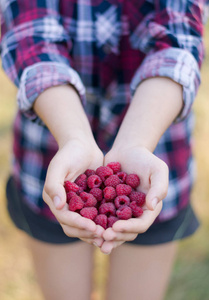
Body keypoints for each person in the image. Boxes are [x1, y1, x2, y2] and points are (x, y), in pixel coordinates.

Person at [0, 1, 208, 299]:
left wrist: (136, 143)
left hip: (156, 147)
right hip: (51, 150)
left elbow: (177, 39)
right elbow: (31, 36)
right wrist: (74, 137)